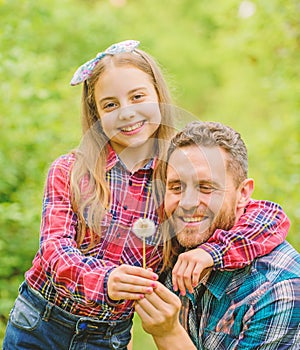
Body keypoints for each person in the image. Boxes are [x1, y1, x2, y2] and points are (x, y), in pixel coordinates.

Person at [3, 39, 290, 350]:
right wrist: (105, 280)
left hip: (107, 336)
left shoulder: (173, 175)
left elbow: (267, 218)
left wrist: (212, 252)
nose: (127, 113)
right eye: (110, 104)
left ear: (158, 97)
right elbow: (54, 249)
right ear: (97, 114)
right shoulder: (72, 170)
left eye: (137, 97)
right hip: (40, 321)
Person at [135, 121, 300, 349]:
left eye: (206, 187)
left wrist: (168, 333)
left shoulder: (278, 290)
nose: (187, 203)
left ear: (243, 193)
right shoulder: (172, 250)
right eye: (176, 187)